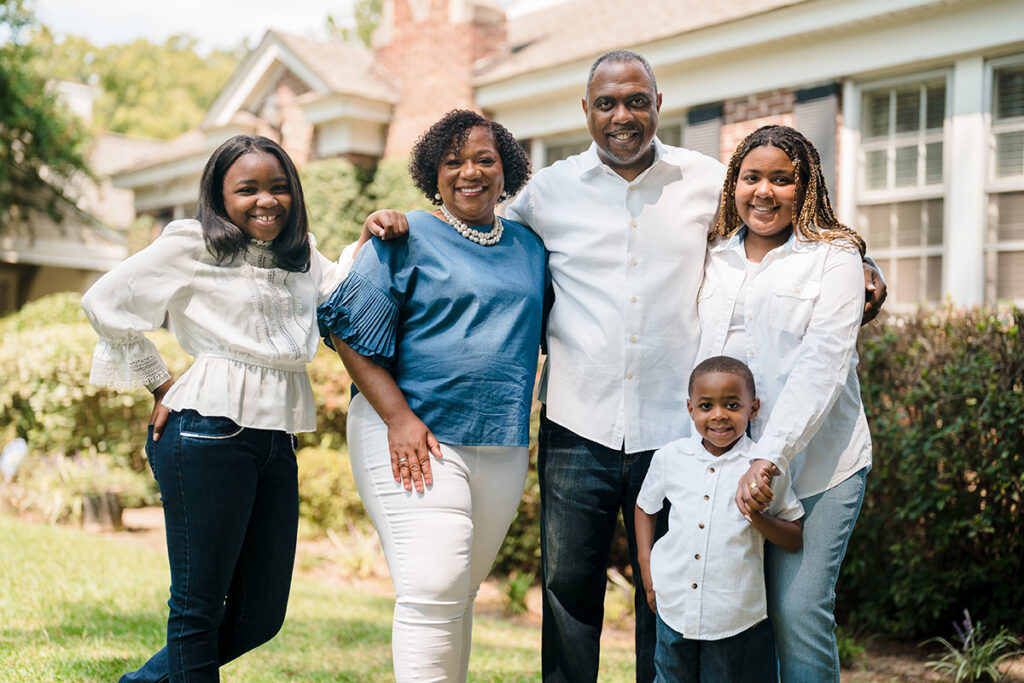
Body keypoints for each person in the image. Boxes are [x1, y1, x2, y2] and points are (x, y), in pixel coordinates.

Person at [364, 50, 886, 683]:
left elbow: (776, 210)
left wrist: (862, 264)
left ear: (658, 106)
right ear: (586, 111)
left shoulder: (704, 180)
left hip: (674, 430)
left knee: (663, 591)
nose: (622, 115)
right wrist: (393, 224)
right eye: (606, 103)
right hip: (577, 423)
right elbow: (475, 227)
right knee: (566, 593)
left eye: (637, 101)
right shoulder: (548, 192)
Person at [82, 135, 375, 682]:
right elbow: (104, 301)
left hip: (276, 440)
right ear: (220, 198)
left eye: (279, 187)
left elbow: (350, 289)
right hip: (206, 432)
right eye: (248, 189)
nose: (267, 200)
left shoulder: (302, 254)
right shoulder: (193, 243)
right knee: (197, 610)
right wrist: (158, 382)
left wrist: (372, 232)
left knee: (260, 615)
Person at [317, 109, 545, 683]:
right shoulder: (404, 234)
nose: (469, 172)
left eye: (484, 160)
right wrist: (398, 418)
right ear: (433, 173)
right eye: (453, 161)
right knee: (435, 583)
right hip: (411, 429)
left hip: (501, 439)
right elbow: (345, 327)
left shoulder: (529, 247)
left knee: (459, 591)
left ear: (507, 169)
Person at [695, 124, 873, 682]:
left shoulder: (834, 257)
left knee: (797, 612)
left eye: (782, 178)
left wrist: (768, 457)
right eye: (752, 177)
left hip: (820, 465)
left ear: (807, 186)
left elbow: (823, 366)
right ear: (734, 184)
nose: (764, 191)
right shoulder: (714, 256)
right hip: (730, 467)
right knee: (744, 620)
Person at [635, 356, 804, 683]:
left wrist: (757, 517)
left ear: (752, 409)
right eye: (706, 405)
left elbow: (794, 537)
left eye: (731, 404)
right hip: (674, 605)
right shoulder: (670, 458)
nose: (718, 415)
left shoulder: (763, 468)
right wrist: (646, 568)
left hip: (732, 616)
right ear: (690, 409)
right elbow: (645, 506)